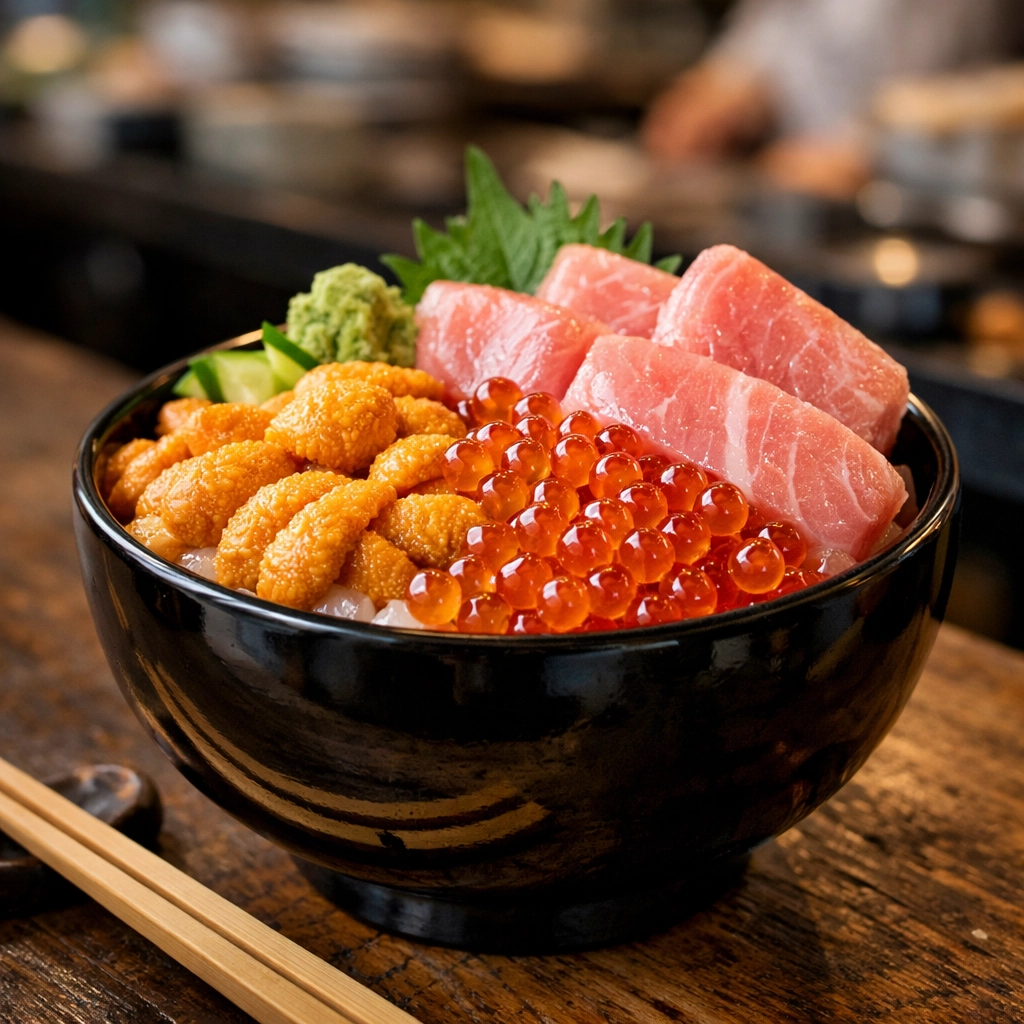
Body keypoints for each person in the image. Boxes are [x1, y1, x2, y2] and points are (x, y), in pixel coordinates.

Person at [643, 0, 1024, 196]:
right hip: (793, 193)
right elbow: (778, 26)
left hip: (932, 196)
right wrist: (730, 82)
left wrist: (879, 148)